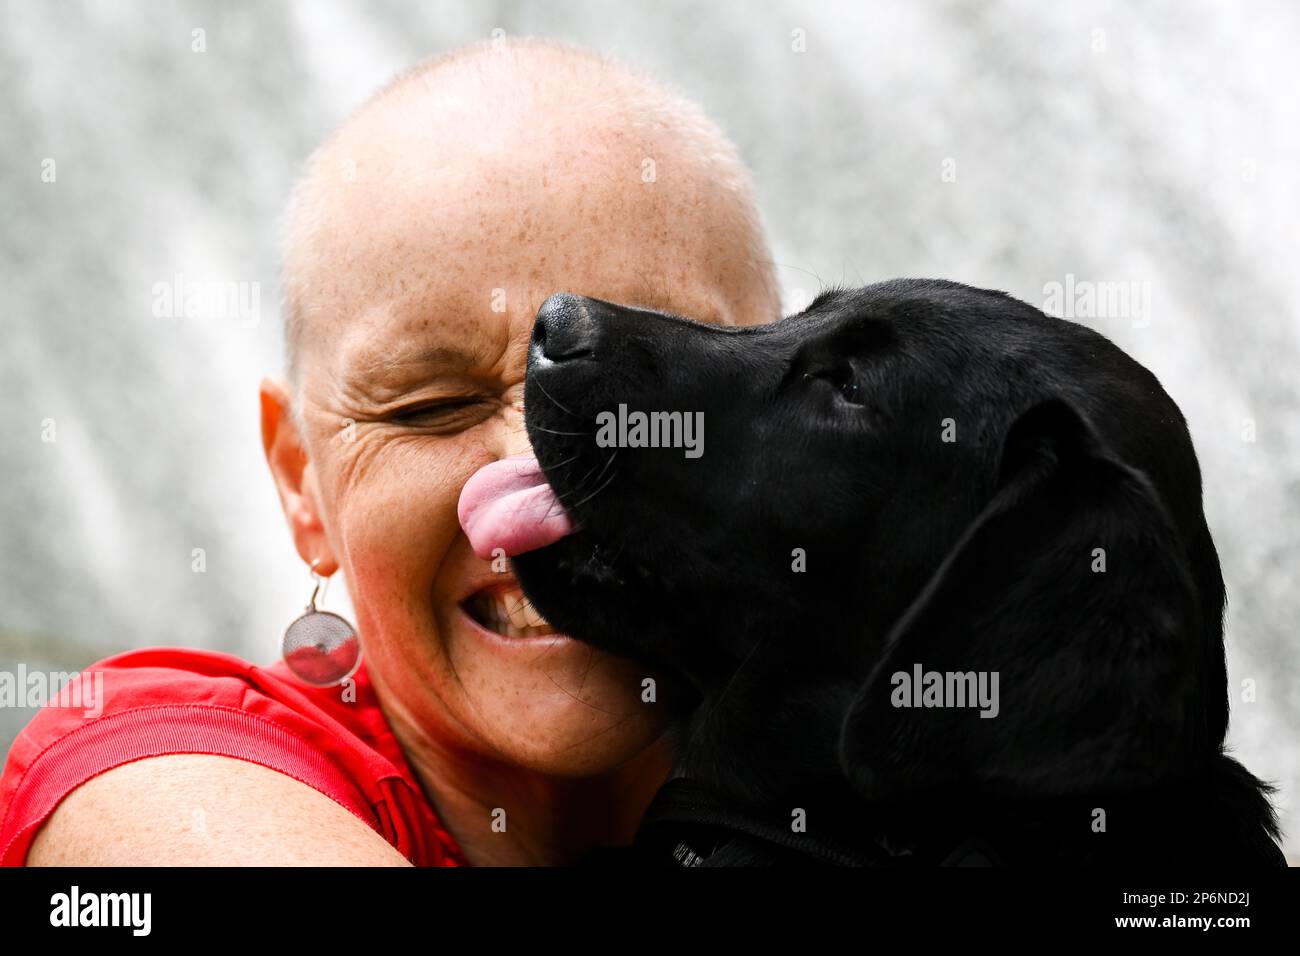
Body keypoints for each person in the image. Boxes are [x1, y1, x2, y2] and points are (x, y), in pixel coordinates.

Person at [0, 37, 781, 866]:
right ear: (303, 484)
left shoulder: (897, 756)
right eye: (432, 406)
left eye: (642, 396)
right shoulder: (152, 769)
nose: (540, 484)